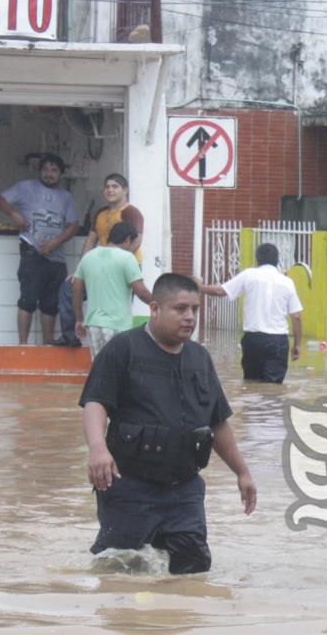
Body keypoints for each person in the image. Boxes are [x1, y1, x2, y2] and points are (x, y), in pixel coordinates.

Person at [79, 273, 257, 574]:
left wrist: (242, 472)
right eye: (180, 308)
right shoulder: (123, 350)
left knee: (192, 571)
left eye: (195, 309)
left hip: (183, 490)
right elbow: (96, 402)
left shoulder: (200, 359)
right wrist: (97, 447)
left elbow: (217, 422)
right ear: (155, 309)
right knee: (119, 570)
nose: (189, 317)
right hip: (129, 487)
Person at [0, 154, 79, 345]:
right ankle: (23, 346)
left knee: (51, 305)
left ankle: (47, 346)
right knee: (28, 300)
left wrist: (55, 243)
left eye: (54, 170)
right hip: (32, 253)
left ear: (61, 174)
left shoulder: (66, 196)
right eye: (45, 169)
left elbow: (73, 225)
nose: (49, 174)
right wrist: (13, 214)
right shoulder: (26, 187)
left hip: (56, 258)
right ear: (40, 171)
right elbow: (0, 200)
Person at [57, 173, 145, 347]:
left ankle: (123, 345)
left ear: (125, 190)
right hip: (99, 265)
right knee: (69, 289)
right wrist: (80, 269)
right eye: (107, 186)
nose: (110, 190)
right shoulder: (101, 212)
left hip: (125, 266)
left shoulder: (131, 212)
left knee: (120, 307)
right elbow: (90, 240)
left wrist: (119, 259)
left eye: (115, 186)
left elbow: (137, 239)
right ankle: (70, 337)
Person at [195, 243, 303, 383]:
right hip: (278, 342)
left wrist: (199, 287)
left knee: (251, 383)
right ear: (277, 260)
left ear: (257, 259)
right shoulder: (287, 282)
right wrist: (297, 345)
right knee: (273, 388)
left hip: (253, 340)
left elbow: (219, 291)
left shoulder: (249, 275)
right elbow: (296, 316)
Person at [72, 221, 152, 359]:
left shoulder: (88, 257)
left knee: (99, 368)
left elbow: (76, 290)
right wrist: (160, 306)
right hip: (118, 326)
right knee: (118, 371)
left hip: (94, 325)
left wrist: (79, 319)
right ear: (128, 239)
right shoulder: (127, 258)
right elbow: (141, 292)